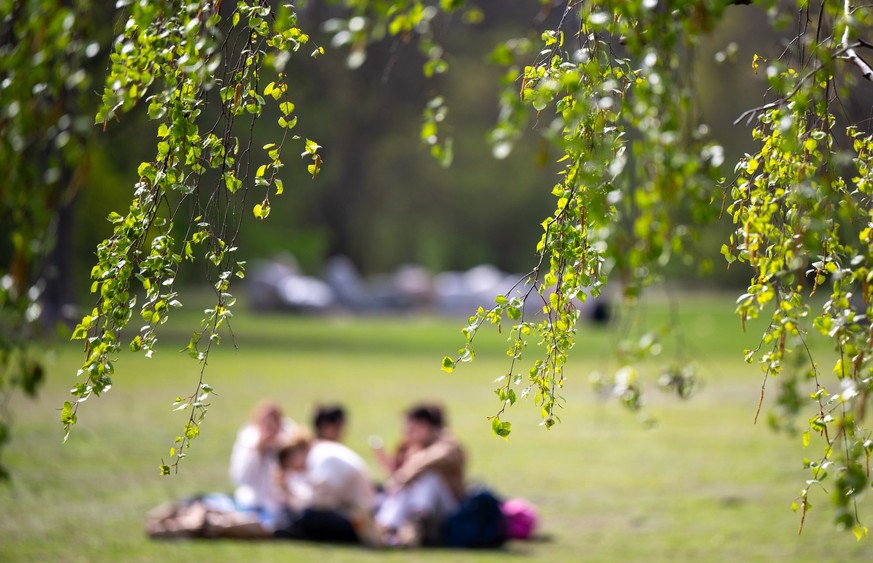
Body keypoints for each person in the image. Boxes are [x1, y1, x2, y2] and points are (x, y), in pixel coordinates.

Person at [374, 402, 466, 546]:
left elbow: (431, 459)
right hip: (426, 512)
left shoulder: (448, 444)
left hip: (451, 513)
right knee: (407, 487)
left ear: (424, 426)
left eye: (411, 429)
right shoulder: (416, 448)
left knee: (430, 478)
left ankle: (413, 525)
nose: (406, 434)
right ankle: (386, 527)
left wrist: (403, 478)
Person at [275, 430, 378, 544]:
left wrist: (295, 497)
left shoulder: (318, 457)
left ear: (294, 454)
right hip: (355, 511)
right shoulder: (320, 450)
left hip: (358, 519)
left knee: (309, 517)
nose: (296, 471)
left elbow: (323, 503)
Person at [228, 401, 298, 529]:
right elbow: (241, 478)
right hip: (253, 501)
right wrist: (258, 449)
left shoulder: (289, 439)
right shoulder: (248, 439)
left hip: (281, 504)